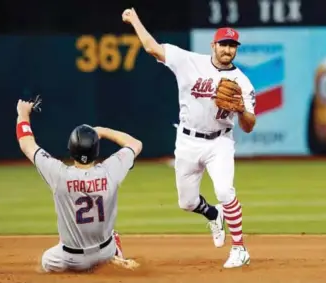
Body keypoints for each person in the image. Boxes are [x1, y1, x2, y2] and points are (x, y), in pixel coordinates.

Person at [122, 8, 256, 268]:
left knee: (225, 190)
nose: (228, 49)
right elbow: (152, 48)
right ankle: (213, 214)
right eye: (223, 44)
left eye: (232, 46)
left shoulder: (242, 82)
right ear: (213, 45)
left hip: (220, 141)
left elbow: (249, 125)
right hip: (187, 140)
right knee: (187, 202)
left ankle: (240, 248)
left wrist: (240, 109)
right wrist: (134, 19)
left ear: (236, 49)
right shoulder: (189, 60)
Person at [15, 98, 143, 272]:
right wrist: (102, 131)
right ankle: (115, 257)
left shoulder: (58, 174)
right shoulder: (110, 170)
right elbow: (135, 144)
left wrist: (23, 114)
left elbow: (26, 144)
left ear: (71, 148)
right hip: (105, 251)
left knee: (46, 261)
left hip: (71, 258)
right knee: (113, 236)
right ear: (96, 149)